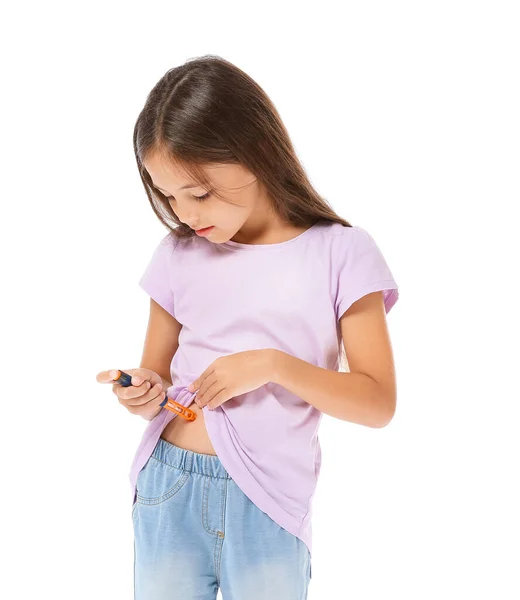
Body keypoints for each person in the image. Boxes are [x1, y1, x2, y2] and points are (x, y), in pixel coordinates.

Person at [96, 55, 399, 600]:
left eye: (200, 192)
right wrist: (141, 392)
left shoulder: (341, 253)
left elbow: (377, 403)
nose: (184, 213)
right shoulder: (177, 255)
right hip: (169, 483)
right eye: (167, 195)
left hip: (270, 500)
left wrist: (271, 366)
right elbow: (157, 384)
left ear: (254, 154)